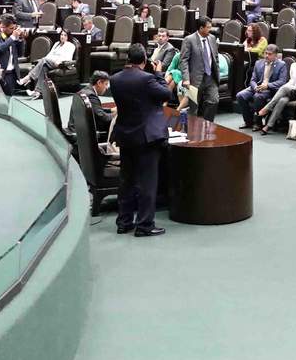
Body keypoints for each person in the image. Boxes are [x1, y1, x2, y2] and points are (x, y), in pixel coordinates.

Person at [108, 43, 174, 237]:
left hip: (125, 135)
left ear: (128, 59)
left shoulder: (115, 78)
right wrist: (159, 73)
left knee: (126, 180)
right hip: (147, 138)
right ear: (145, 60)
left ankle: (124, 222)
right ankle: (145, 225)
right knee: (147, 182)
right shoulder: (147, 79)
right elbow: (166, 94)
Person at [257, 47, 296, 134]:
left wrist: (293, 86)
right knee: (282, 100)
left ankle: (267, 108)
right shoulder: (294, 65)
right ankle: (268, 126)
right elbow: (291, 81)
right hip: (291, 91)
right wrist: (288, 86)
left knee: (285, 88)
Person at [179, 18, 222, 120]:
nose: (210, 30)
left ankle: (207, 125)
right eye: (208, 27)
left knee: (214, 100)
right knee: (193, 107)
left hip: (210, 77)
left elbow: (215, 57)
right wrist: (186, 78)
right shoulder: (189, 40)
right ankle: (189, 131)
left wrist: (217, 71)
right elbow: (183, 60)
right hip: (195, 79)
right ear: (201, 28)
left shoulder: (212, 38)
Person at [238, 44, 287, 129]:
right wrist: (255, 87)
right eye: (266, 53)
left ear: (276, 55)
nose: (267, 56)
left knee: (258, 96)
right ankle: (248, 121)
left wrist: (267, 86)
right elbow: (253, 80)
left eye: (270, 54)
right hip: (257, 87)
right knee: (240, 95)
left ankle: (258, 122)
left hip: (270, 89)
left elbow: (282, 82)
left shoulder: (281, 65)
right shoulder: (258, 63)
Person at [19, 28, 77, 96]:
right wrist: (47, 60)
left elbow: (68, 58)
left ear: (68, 37)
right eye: (61, 35)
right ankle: (37, 92)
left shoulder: (70, 45)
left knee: (44, 60)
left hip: (61, 64)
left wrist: (59, 61)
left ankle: (28, 77)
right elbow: (49, 55)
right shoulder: (57, 44)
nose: (62, 36)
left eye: (65, 35)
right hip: (51, 62)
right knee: (44, 66)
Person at [67, 70, 114, 140]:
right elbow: (104, 118)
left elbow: (94, 110)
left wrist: (111, 110)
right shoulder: (91, 96)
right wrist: (116, 114)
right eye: (106, 84)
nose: (107, 87)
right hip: (83, 133)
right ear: (99, 83)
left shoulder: (85, 91)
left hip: (75, 127)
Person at [0, 16, 24, 95]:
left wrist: (20, 39)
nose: (13, 30)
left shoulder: (12, 36)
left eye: (14, 28)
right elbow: (0, 48)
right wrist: (13, 37)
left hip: (13, 72)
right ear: (3, 27)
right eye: (11, 28)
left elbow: (20, 53)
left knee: (10, 98)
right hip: (2, 73)